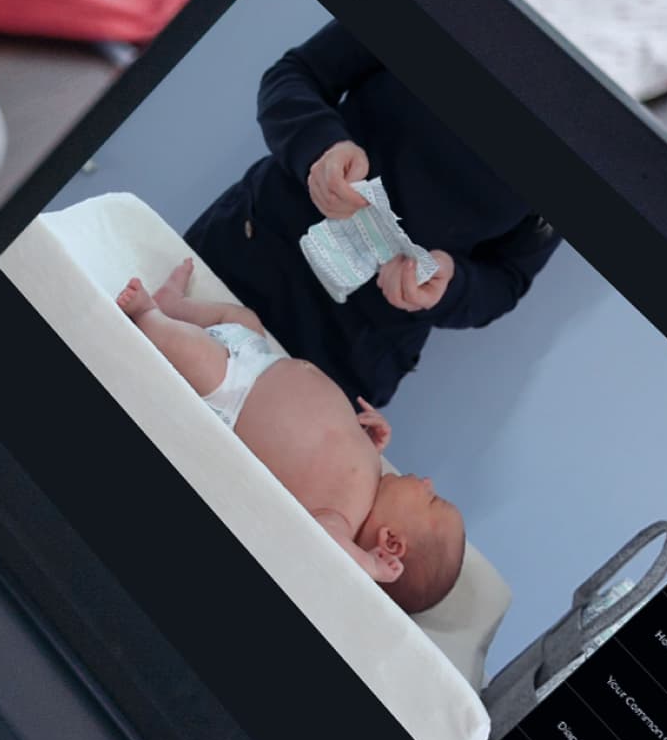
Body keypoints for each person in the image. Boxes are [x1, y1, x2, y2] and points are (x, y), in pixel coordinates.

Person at [184, 18, 559, 408]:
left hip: (350, 355)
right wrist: (320, 149)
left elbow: (508, 279)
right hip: (249, 256)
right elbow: (297, 74)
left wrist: (452, 285)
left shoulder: (585, 141)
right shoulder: (442, 0)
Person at [118, 261, 466, 611]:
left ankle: (149, 316)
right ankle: (175, 305)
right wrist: (369, 439)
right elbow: (334, 441)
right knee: (243, 318)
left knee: (190, 350)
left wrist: (368, 565)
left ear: (391, 542)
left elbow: (326, 545)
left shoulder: (341, 517)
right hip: (258, 356)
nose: (427, 482)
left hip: (232, 391)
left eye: (431, 499)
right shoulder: (370, 473)